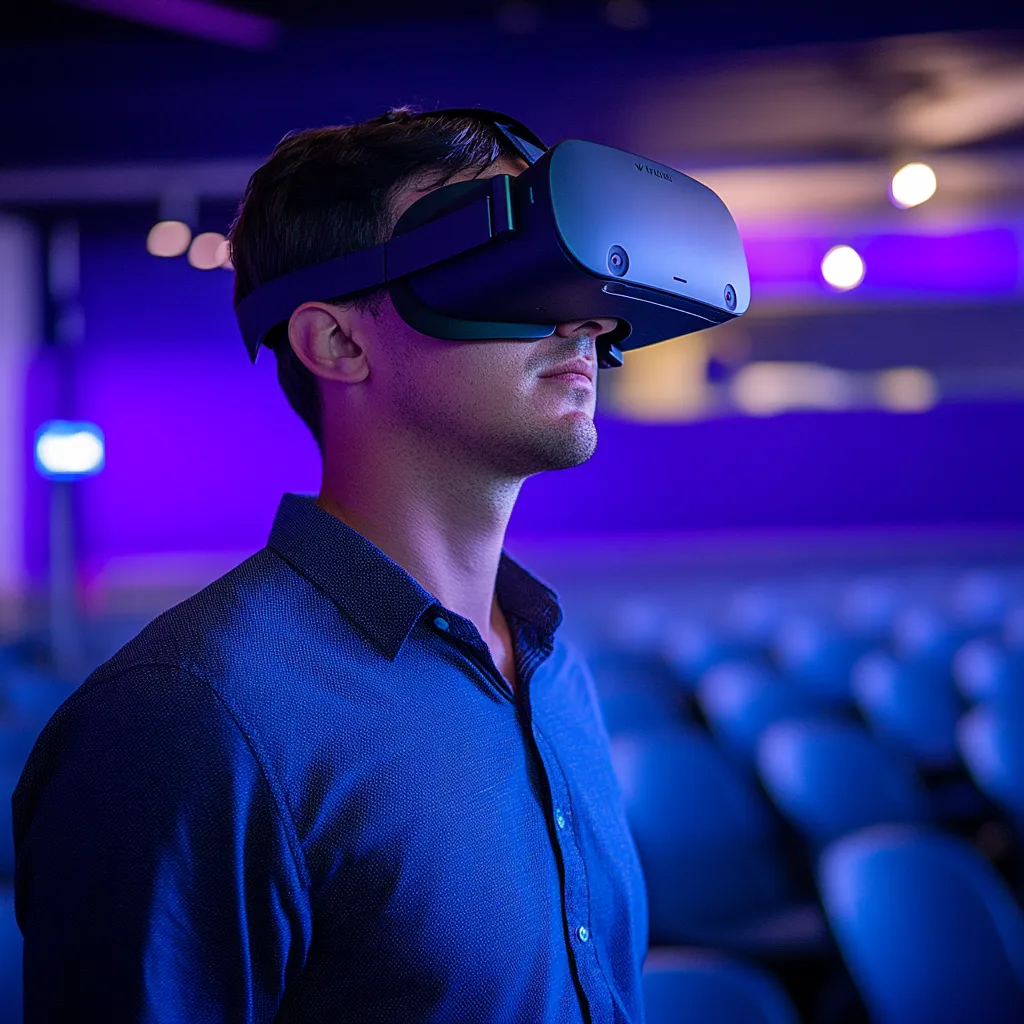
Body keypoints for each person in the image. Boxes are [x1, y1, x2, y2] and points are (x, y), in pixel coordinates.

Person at [12, 108, 649, 1023]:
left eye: (567, 266)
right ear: (337, 342)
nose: (585, 314)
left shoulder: (552, 663)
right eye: (504, 263)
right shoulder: (186, 723)